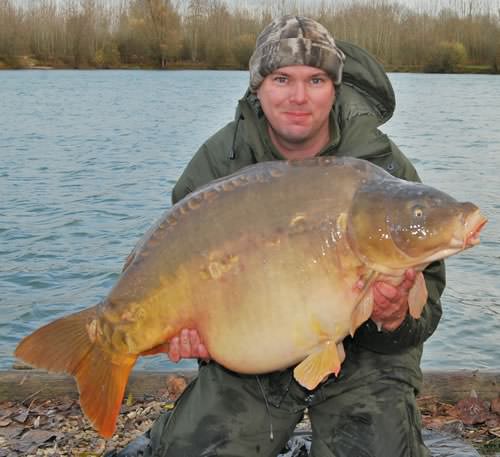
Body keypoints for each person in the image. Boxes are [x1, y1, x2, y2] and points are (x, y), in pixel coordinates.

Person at [110, 15, 445, 457]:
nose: (299, 97)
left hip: (366, 360)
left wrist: (394, 317)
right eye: (282, 78)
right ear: (258, 87)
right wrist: (190, 335)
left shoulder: (381, 170)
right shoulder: (219, 163)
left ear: (335, 87)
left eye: (317, 79)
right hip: (255, 357)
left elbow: (427, 309)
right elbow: (174, 270)